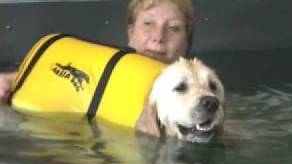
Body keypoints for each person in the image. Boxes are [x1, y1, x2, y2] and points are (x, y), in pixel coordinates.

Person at [0, 0, 195, 104]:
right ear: (130, 33)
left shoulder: (201, 92)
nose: (158, 37)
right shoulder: (104, 70)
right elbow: (60, 79)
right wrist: (9, 81)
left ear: (187, 42)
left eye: (174, 28)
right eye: (148, 24)